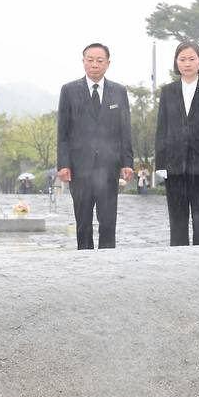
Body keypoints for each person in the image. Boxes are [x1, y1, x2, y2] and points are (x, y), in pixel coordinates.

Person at [57, 43, 134, 250]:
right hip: (79, 168)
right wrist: (63, 164)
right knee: (83, 223)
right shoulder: (69, 90)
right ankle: (84, 263)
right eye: (90, 60)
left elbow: (124, 130)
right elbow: (63, 132)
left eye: (100, 61)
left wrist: (127, 162)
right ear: (83, 62)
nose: (94, 65)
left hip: (109, 168)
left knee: (108, 222)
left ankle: (108, 264)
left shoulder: (119, 91)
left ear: (108, 63)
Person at [154, 42, 199, 246]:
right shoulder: (168, 91)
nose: (187, 63)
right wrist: (160, 163)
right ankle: (178, 264)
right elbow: (162, 128)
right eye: (182, 59)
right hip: (174, 165)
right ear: (176, 62)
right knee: (177, 220)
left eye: (192, 59)